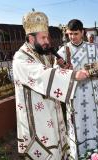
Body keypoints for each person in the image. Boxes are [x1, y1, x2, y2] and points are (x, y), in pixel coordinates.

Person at [12, 11, 89, 160]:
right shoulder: (20, 59)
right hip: (37, 121)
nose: (47, 41)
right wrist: (73, 75)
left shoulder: (41, 55)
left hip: (51, 114)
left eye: (47, 36)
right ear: (30, 38)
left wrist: (62, 69)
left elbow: (51, 74)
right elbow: (42, 75)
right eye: (43, 37)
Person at [57, 19, 98, 159]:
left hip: (91, 93)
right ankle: (78, 154)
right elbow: (56, 74)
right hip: (74, 96)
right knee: (77, 124)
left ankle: (96, 153)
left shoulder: (92, 48)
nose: (72, 37)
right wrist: (67, 73)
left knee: (93, 123)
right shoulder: (62, 52)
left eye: (76, 33)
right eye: (70, 34)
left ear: (83, 32)